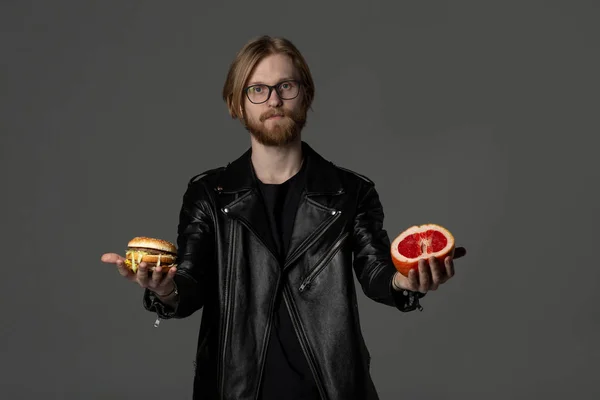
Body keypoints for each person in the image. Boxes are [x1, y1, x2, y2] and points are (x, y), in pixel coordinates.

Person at [101, 35, 466, 400]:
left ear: (305, 94)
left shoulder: (351, 191)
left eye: (285, 86)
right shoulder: (208, 195)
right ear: (236, 104)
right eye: (257, 89)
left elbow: (376, 271)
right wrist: (165, 290)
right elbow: (191, 281)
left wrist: (407, 283)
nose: (273, 100)